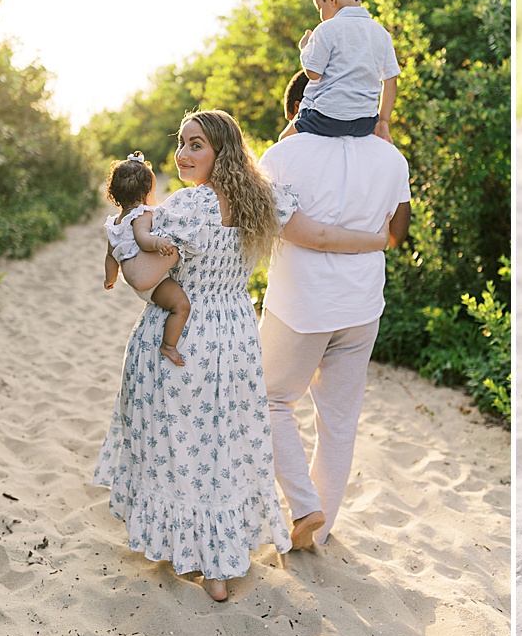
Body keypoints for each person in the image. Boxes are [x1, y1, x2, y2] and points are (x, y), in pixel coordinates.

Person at [93, 110, 391, 601]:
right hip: (235, 337)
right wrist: (377, 240)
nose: (183, 154)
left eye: (196, 145)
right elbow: (317, 236)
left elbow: (144, 279)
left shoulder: (188, 207)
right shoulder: (264, 200)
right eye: (183, 144)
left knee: (183, 447)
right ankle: (219, 568)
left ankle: (192, 552)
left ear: (220, 152)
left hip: (186, 338)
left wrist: (127, 243)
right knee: (223, 450)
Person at [258, 78, 413, 552]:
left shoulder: (282, 155)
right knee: (338, 423)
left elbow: (269, 228)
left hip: (300, 306)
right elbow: (398, 234)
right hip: (362, 304)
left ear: (298, 109)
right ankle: (318, 533)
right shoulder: (390, 156)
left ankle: (305, 507)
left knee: (270, 401)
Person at [281, 0, 399, 141]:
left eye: (320, 8)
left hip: (327, 118)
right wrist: (382, 122)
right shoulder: (381, 33)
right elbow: (390, 80)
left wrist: (305, 49)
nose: (321, 15)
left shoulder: (327, 29)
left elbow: (313, 73)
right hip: (365, 122)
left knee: (284, 140)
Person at [100, 151, 191, 367]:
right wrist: (157, 243)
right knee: (181, 306)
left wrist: (109, 279)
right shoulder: (140, 215)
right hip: (154, 281)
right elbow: (142, 239)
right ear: (146, 194)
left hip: (138, 284)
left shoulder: (115, 223)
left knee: (173, 305)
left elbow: (110, 256)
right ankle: (168, 345)